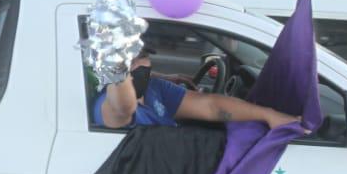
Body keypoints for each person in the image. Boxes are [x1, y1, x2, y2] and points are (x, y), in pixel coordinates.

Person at [97, 51, 297, 130]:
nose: (138, 65)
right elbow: (123, 108)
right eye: (127, 63)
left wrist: (268, 115)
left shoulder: (155, 90)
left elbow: (211, 106)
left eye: (141, 57)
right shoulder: (106, 105)